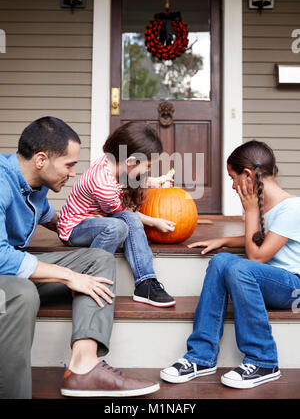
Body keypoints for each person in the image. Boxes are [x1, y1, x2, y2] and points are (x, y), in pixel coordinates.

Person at [0, 116, 159, 399]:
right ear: (41, 160)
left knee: (98, 259)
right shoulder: (1, 182)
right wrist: (70, 276)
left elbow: (47, 216)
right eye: (69, 165)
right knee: (22, 292)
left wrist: (73, 224)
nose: (74, 173)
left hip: (15, 267)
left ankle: (84, 366)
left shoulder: (35, 187)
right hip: (7, 277)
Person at [160, 140, 300, 389]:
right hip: (267, 282)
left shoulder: (293, 207)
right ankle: (201, 356)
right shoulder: (269, 206)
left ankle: (263, 359)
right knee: (222, 260)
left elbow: (257, 256)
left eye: (233, 178)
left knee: (239, 267)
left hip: (292, 287)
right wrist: (225, 241)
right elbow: (262, 240)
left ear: (247, 175)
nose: (234, 186)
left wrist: (251, 213)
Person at [57, 121, 176, 308]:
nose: (148, 171)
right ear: (129, 162)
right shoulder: (102, 185)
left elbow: (129, 179)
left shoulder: (112, 162)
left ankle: (146, 282)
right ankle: (90, 276)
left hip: (97, 221)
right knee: (119, 225)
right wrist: (154, 222)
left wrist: (157, 181)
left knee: (122, 223)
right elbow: (122, 214)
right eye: (148, 166)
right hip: (75, 228)